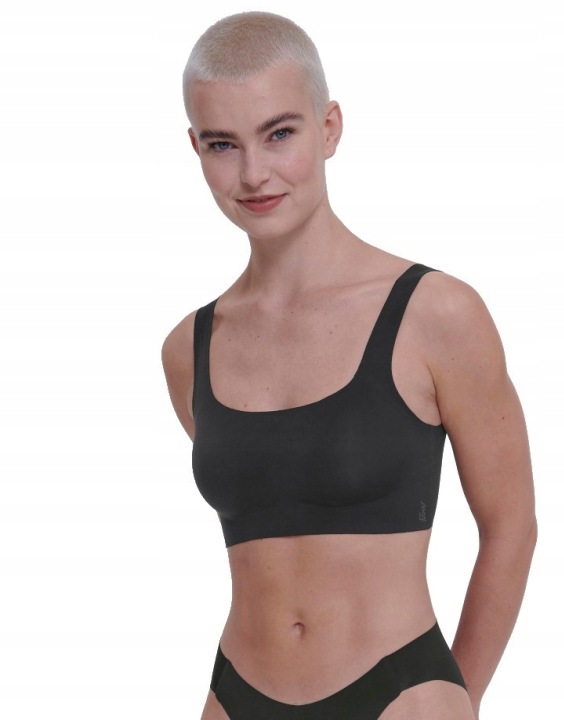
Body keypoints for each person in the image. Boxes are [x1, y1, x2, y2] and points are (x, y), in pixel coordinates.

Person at [162, 11, 537, 720]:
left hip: (399, 693)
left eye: (279, 134)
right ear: (195, 148)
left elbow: (511, 526)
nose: (253, 173)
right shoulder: (188, 347)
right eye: (222, 144)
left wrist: (461, 699)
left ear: (329, 128)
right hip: (235, 695)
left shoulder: (435, 313)